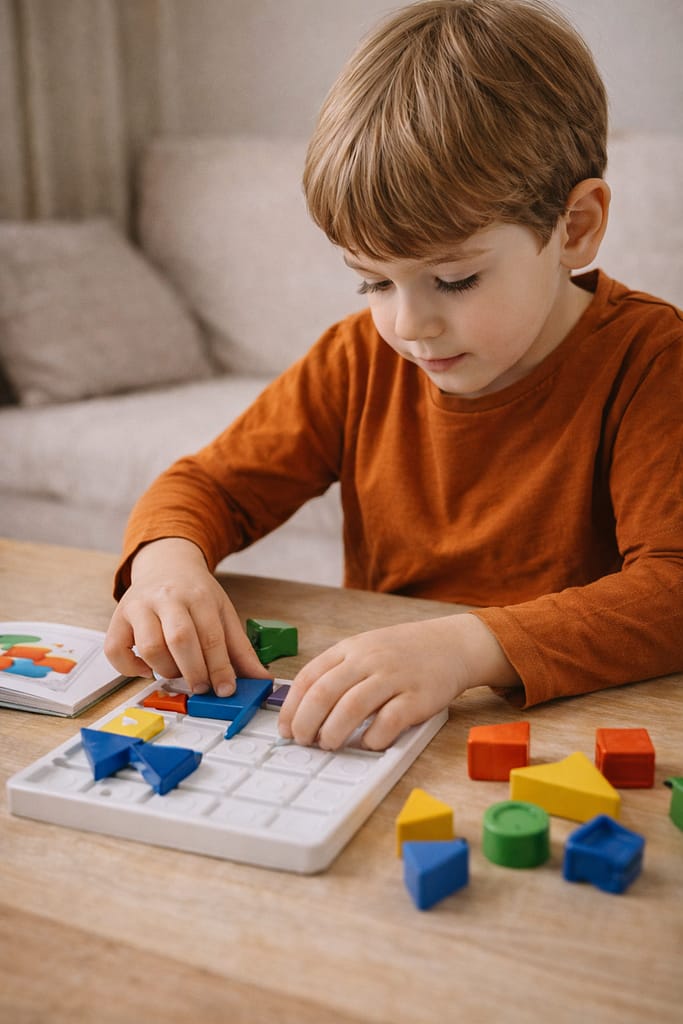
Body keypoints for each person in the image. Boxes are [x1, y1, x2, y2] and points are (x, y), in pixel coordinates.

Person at [104, 0, 683, 752]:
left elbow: (671, 590)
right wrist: (165, 567)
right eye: (371, 282)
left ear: (572, 228)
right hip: (386, 728)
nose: (408, 325)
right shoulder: (357, 360)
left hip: (566, 732)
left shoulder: (649, 358)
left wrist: (463, 648)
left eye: (453, 280)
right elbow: (206, 486)